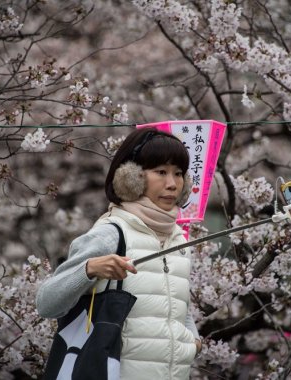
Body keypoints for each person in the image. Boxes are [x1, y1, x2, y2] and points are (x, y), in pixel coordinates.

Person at [36, 127, 202, 379]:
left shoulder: (178, 240)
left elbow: (176, 304)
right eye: (161, 172)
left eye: (178, 174)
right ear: (132, 178)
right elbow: (46, 302)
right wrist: (88, 269)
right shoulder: (111, 233)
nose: (172, 184)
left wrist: (193, 341)